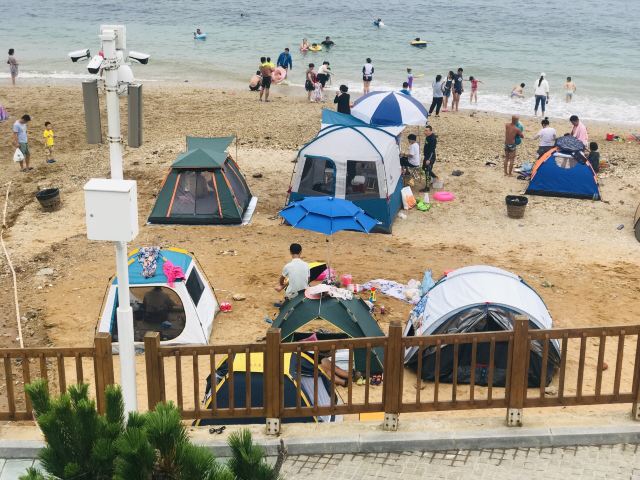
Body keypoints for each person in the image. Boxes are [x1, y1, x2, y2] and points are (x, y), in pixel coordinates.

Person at [422, 125, 438, 191]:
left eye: (426, 131)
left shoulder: (433, 139)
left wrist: (429, 159)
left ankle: (427, 187)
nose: (425, 132)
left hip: (430, 157)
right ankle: (435, 177)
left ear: (431, 131)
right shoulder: (427, 137)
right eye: (425, 130)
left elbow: (432, 150)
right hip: (426, 156)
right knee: (424, 168)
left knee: (427, 171)